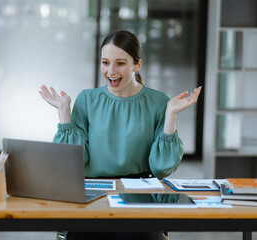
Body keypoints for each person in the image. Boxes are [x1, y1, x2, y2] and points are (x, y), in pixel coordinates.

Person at [39, 30, 201, 240]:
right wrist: (64, 113)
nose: (110, 71)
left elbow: (161, 167)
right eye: (105, 62)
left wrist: (171, 114)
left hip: (138, 198)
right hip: (92, 197)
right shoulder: (87, 99)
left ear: (137, 65)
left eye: (120, 63)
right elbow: (73, 162)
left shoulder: (159, 102)